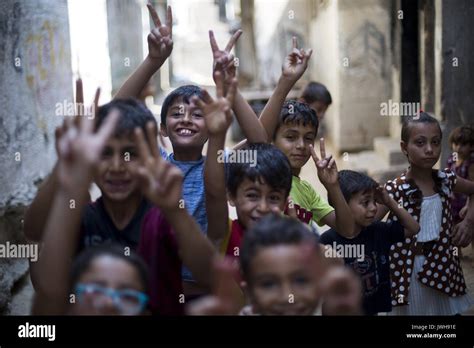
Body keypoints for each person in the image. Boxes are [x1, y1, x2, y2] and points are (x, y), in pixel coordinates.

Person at [379, 112, 474, 315]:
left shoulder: (448, 180)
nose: (430, 149)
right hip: (406, 270)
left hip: (444, 266)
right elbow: (365, 224)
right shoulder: (394, 190)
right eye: (420, 143)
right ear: (404, 148)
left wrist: (468, 222)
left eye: (436, 142)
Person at [319, 170, 420, 315]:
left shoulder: (378, 230)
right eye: (366, 202)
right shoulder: (327, 242)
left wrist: (389, 202)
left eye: (374, 201)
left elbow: (414, 228)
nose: (374, 208)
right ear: (341, 205)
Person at [446, 125, 474, 263]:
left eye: (463, 144)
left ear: (471, 146)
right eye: (456, 143)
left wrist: (468, 206)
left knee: (471, 232)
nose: (458, 148)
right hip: (453, 202)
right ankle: (458, 255)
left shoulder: (470, 164)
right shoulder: (451, 160)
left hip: (466, 205)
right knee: (454, 229)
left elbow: (472, 188)